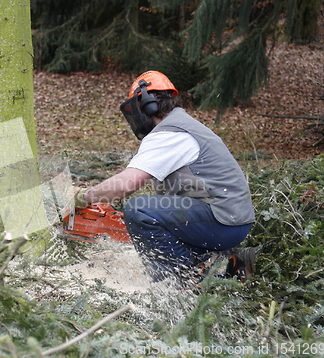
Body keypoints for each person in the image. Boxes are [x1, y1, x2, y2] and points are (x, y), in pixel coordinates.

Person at [73, 70, 255, 283]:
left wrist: (84, 196)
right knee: (148, 214)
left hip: (222, 220)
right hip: (232, 218)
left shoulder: (170, 133)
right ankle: (233, 264)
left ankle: (179, 282)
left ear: (147, 103)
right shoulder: (183, 126)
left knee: (137, 209)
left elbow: (125, 185)